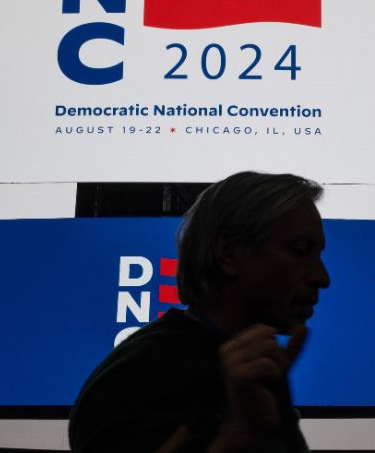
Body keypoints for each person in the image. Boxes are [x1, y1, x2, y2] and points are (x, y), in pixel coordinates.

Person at [68, 171, 330, 453]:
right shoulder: (132, 381)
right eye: (300, 249)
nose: (322, 277)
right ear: (228, 254)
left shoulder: (256, 370)